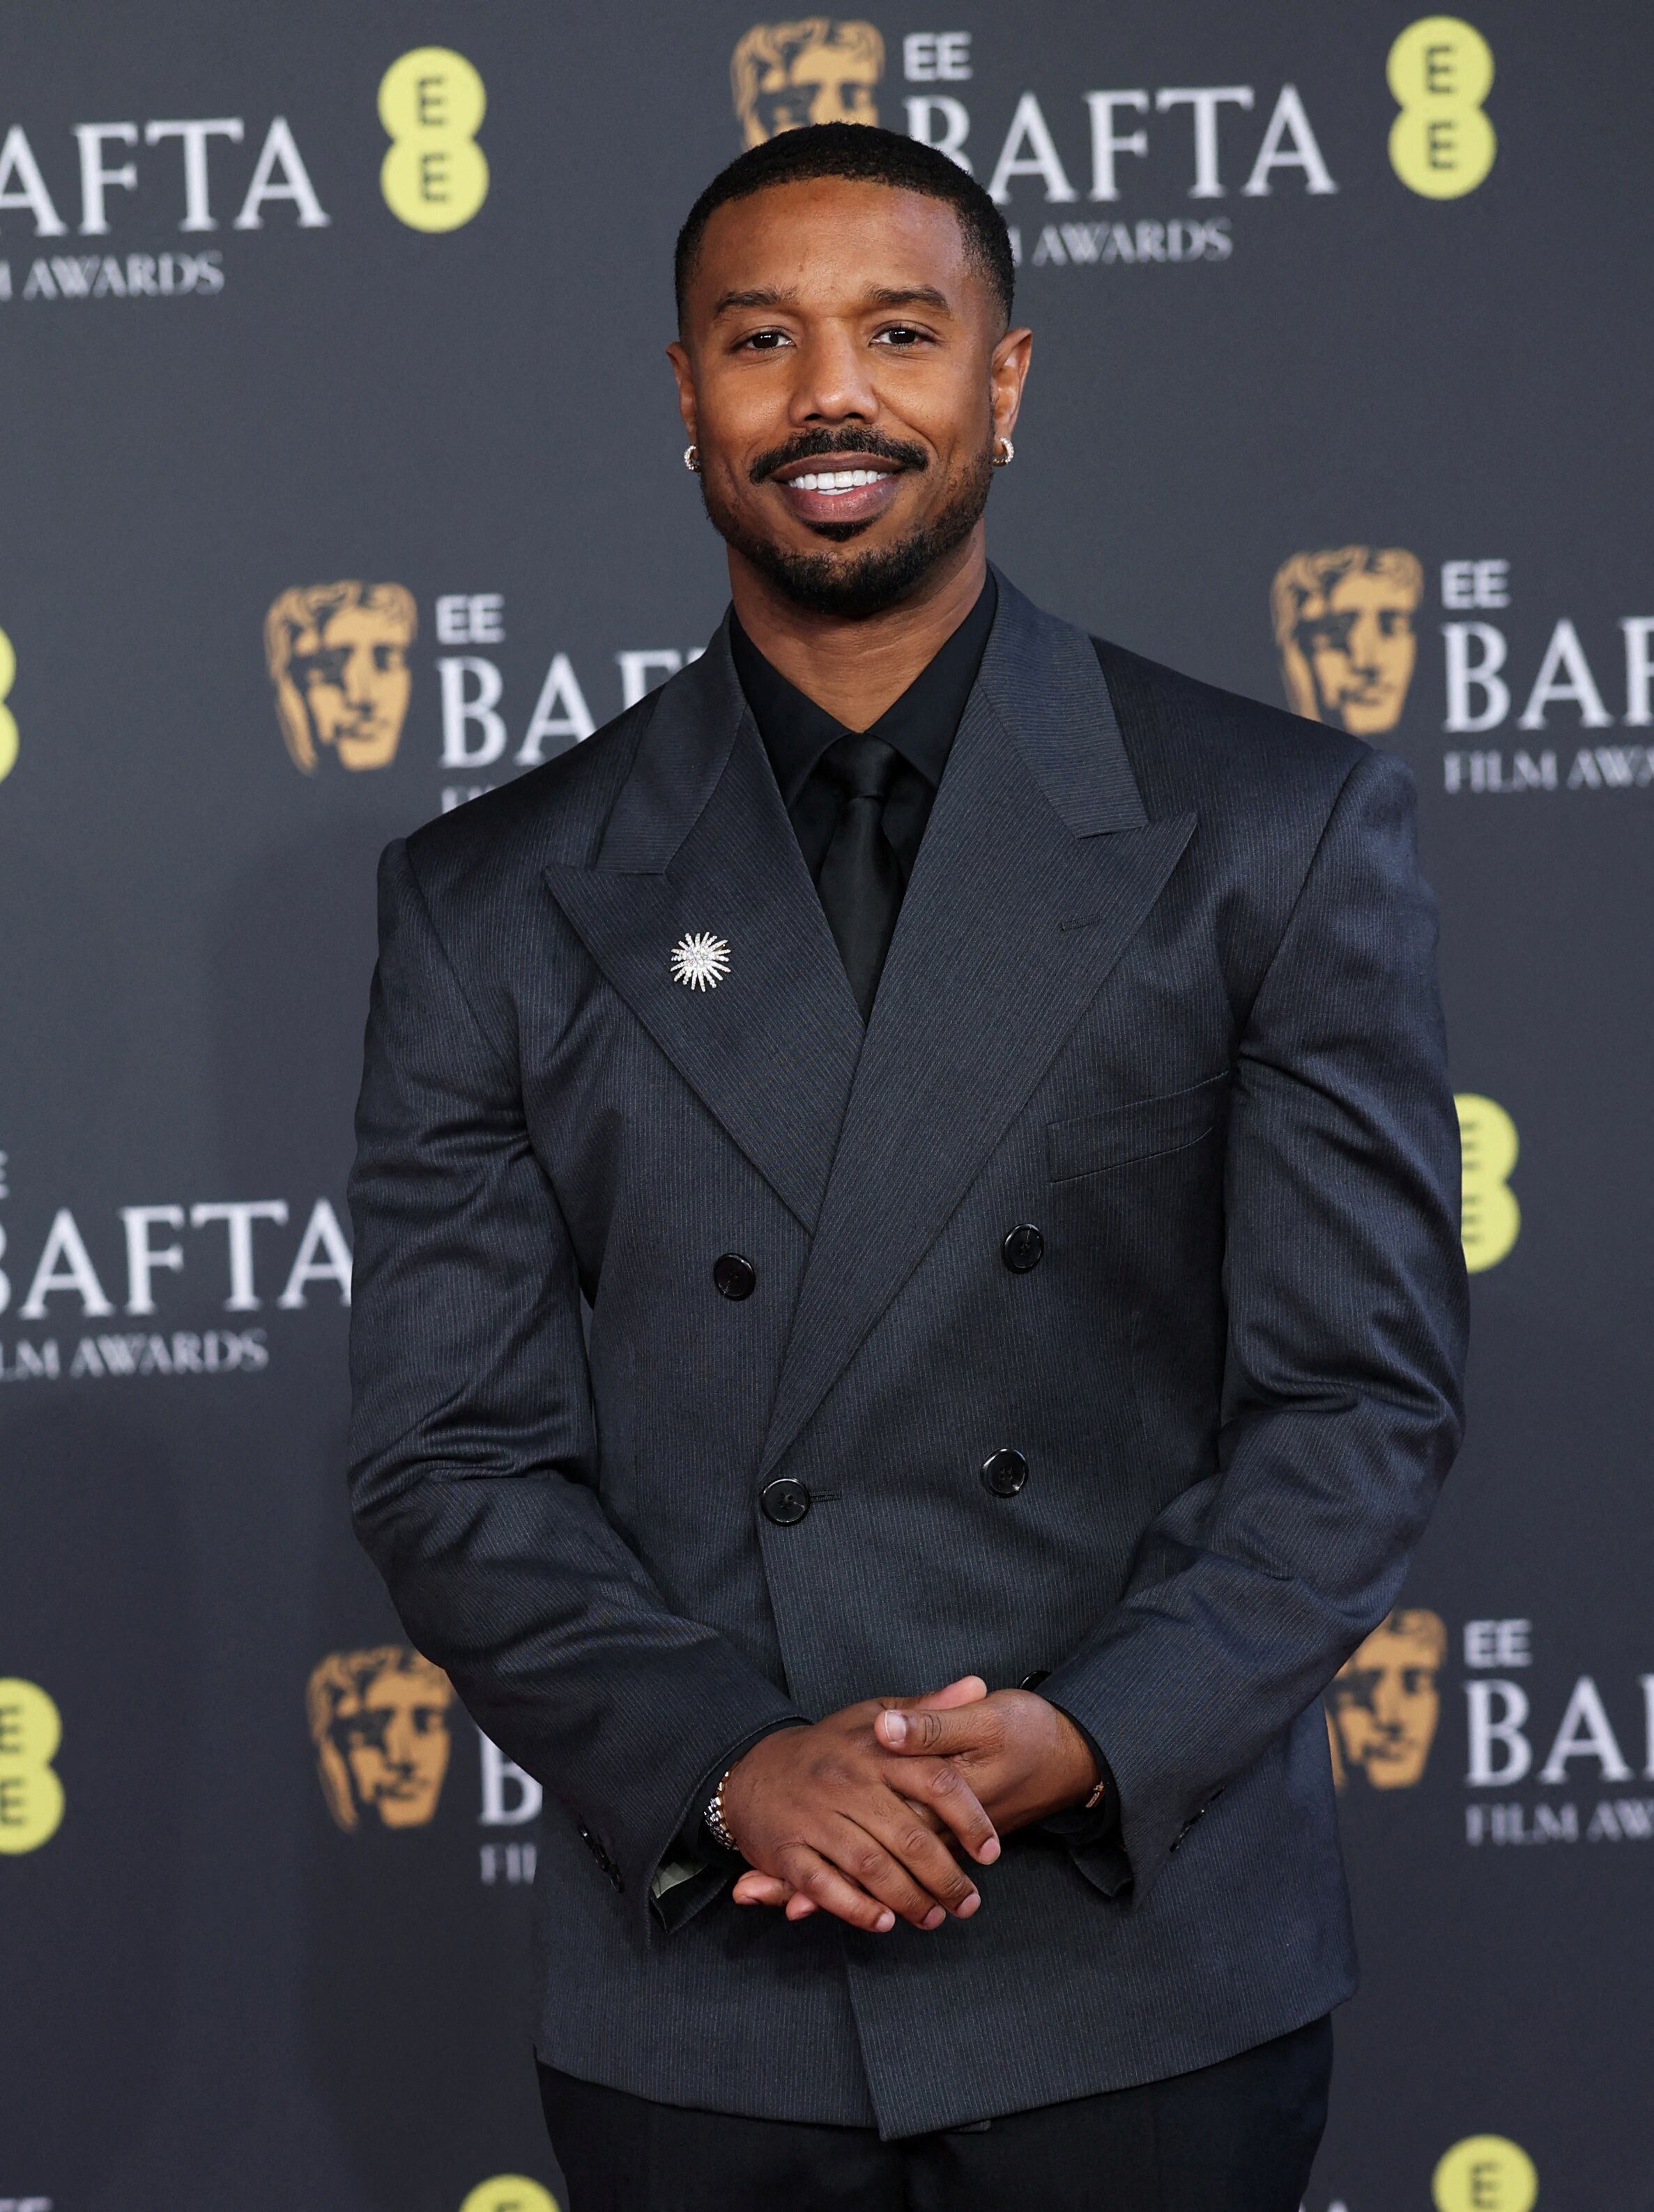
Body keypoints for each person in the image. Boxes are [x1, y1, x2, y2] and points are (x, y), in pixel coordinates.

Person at [347, 123, 1467, 2211]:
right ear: (685, 393)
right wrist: (726, 1767)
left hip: (1135, 1969)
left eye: (899, 332)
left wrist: (1096, 1734)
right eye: (761, 340)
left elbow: (1356, 1398)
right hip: (710, 1985)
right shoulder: (490, 898)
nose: (830, 396)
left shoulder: (1270, 828)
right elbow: (451, 1457)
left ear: (1006, 385)